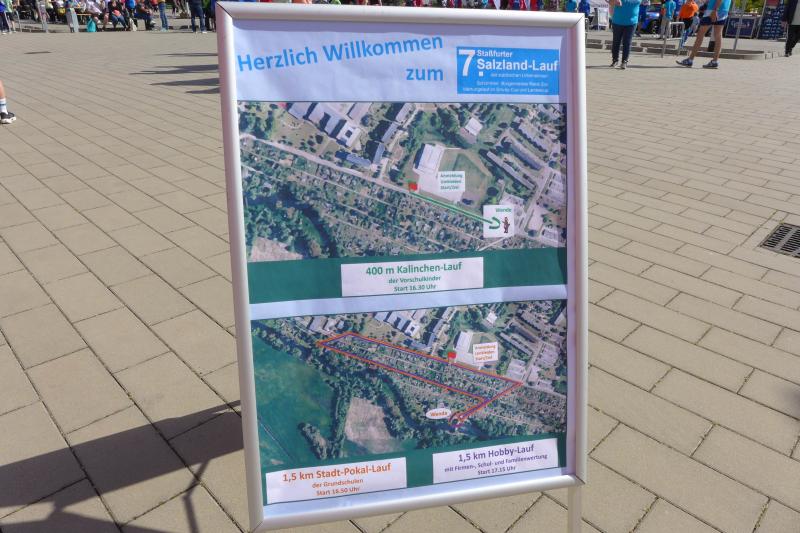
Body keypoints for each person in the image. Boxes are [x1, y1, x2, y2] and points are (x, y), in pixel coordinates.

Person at [675, 0, 731, 68]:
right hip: (724, 9)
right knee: (718, 35)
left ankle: (690, 60)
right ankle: (714, 61)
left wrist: (715, 10)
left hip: (713, 9)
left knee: (700, 34)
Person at [610, 0, 641, 69]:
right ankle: (615, 60)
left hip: (632, 22)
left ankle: (624, 61)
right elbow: (610, 2)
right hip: (617, 21)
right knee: (616, 41)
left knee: (627, 42)